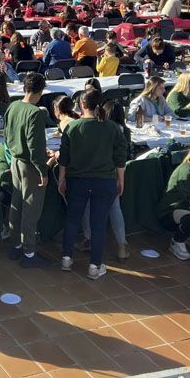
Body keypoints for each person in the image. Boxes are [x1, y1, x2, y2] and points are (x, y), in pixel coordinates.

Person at [58, 91, 128, 278]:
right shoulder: (112, 127)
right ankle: (95, 266)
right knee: (98, 224)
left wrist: (61, 178)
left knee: (72, 219)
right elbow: (120, 157)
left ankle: (66, 258)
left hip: (77, 180)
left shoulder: (72, 127)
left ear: (82, 104)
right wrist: (121, 180)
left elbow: (64, 157)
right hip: (104, 181)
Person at [5, 72, 50, 268]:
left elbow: (6, 134)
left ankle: (15, 245)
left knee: (17, 203)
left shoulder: (13, 105)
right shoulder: (36, 113)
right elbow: (35, 146)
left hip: (15, 160)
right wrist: (43, 170)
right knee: (31, 209)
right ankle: (29, 253)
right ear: (41, 91)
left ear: (25, 88)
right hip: (30, 166)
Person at [158, 140, 190, 261]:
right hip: (170, 210)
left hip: (187, 207)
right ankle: (177, 241)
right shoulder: (187, 171)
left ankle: (189, 235)